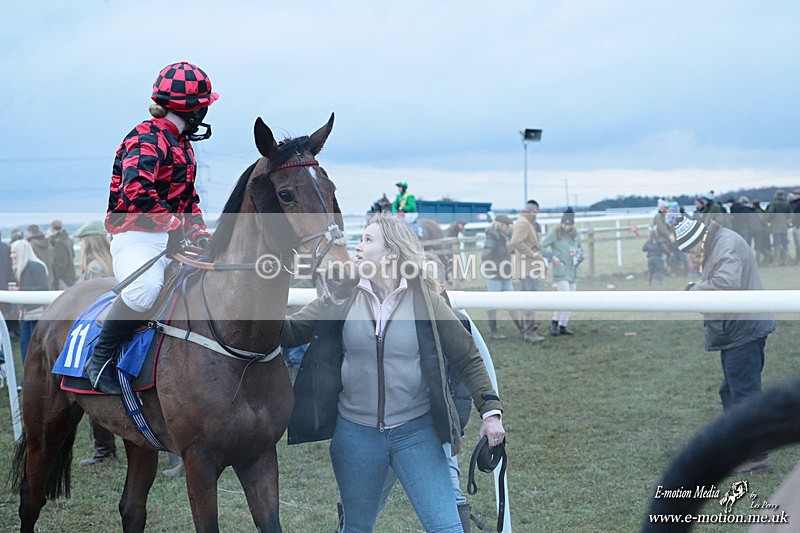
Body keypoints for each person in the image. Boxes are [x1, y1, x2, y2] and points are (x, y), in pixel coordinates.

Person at [282, 215, 505, 533]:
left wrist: (491, 413)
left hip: (416, 434)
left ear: (390, 254)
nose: (357, 247)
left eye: (367, 240)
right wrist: (261, 297)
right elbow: (289, 333)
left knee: (447, 528)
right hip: (355, 436)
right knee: (356, 527)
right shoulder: (342, 297)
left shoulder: (426, 301)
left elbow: (467, 357)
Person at [83, 61, 218, 395]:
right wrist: (174, 224)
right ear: (193, 109)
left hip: (170, 237)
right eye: (204, 105)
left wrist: (199, 231)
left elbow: (190, 200)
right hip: (136, 236)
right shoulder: (145, 138)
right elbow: (136, 192)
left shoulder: (184, 145)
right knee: (144, 292)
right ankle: (99, 358)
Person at [375, 253, 476, 531]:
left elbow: (464, 382)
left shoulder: (454, 323)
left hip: (437, 426)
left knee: (451, 490)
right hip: (394, 425)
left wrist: (452, 424)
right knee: (367, 493)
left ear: (440, 287)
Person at [671, 213, 776, 473]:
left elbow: (725, 283)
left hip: (743, 329)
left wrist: (694, 291)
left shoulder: (725, 245)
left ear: (698, 241)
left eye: (692, 251)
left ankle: (755, 457)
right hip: (740, 328)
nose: (693, 258)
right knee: (731, 390)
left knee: (743, 393)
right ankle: (742, 449)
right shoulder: (720, 243)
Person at [71, 221, 119, 466]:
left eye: (81, 240)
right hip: (116, 330)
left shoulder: (94, 268)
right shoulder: (114, 261)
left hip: (97, 331)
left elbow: (91, 305)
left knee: (89, 385)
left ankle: (104, 450)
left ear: (88, 241)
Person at [9, 239, 49, 380]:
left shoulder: (35, 266)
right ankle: (28, 378)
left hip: (36, 313)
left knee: (35, 349)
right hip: (26, 314)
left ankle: (36, 379)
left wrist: (20, 290)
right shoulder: (22, 267)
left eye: (13, 252)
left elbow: (44, 287)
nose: (11, 255)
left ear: (21, 252)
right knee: (24, 348)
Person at [541, 207, 583, 336]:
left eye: (569, 224)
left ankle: (563, 324)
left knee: (571, 300)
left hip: (573, 270)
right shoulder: (555, 232)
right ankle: (554, 322)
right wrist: (552, 256)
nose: (567, 227)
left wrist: (580, 256)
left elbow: (580, 249)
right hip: (561, 270)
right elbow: (542, 246)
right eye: (565, 224)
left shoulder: (576, 234)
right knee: (564, 297)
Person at [508, 199, 546, 343]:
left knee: (529, 300)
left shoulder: (524, 221)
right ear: (534, 211)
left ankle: (527, 330)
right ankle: (529, 332)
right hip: (528, 268)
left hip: (528, 268)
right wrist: (531, 253)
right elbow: (516, 242)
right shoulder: (524, 222)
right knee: (531, 300)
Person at [481, 214, 517, 340]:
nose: (508, 227)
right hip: (495, 275)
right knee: (493, 304)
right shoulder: (493, 238)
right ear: (500, 225)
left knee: (512, 301)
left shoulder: (502, 237)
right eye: (506, 225)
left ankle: (522, 327)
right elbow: (486, 256)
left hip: (504, 274)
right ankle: (494, 330)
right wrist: (501, 266)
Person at [48, 219, 78, 290]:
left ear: (52, 228)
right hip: (70, 275)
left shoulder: (59, 242)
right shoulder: (68, 239)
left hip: (63, 278)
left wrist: (57, 275)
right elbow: (72, 255)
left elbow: (61, 262)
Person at [765, 189, 792, 266]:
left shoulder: (773, 204)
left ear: (776, 195)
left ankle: (776, 261)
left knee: (776, 244)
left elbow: (770, 214)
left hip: (776, 226)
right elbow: (791, 215)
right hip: (784, 227)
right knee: (785, 244)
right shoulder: (787, 204)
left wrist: (768, 220)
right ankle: (786, 261)